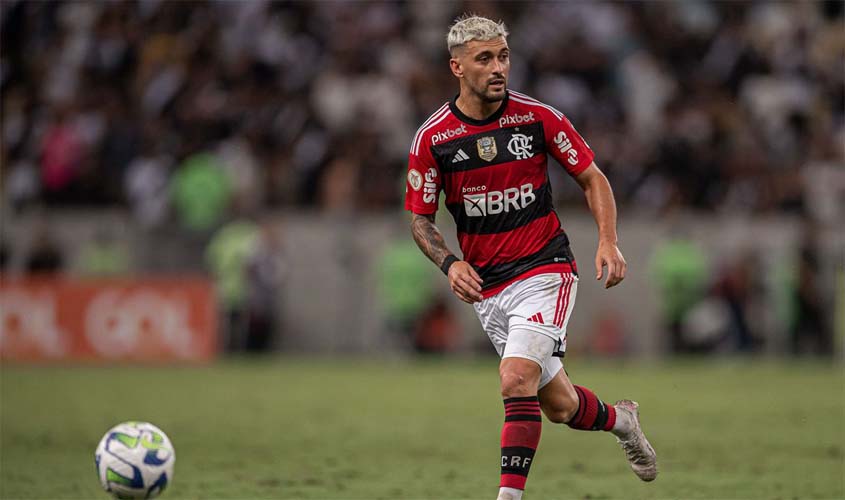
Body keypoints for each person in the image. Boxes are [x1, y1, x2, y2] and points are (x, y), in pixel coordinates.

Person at [404, 15, 657, 499]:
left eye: (503, 56)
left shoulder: (538, 117)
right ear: (456, 66)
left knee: (515, 377)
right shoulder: (433, 139)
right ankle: (622, 421)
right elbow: (420, 218)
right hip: (488, 287)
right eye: (484, 59)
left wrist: (608, 238)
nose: (498, 67)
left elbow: (592, 177)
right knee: (559, 406)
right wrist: (450, 263)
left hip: (545, 268)